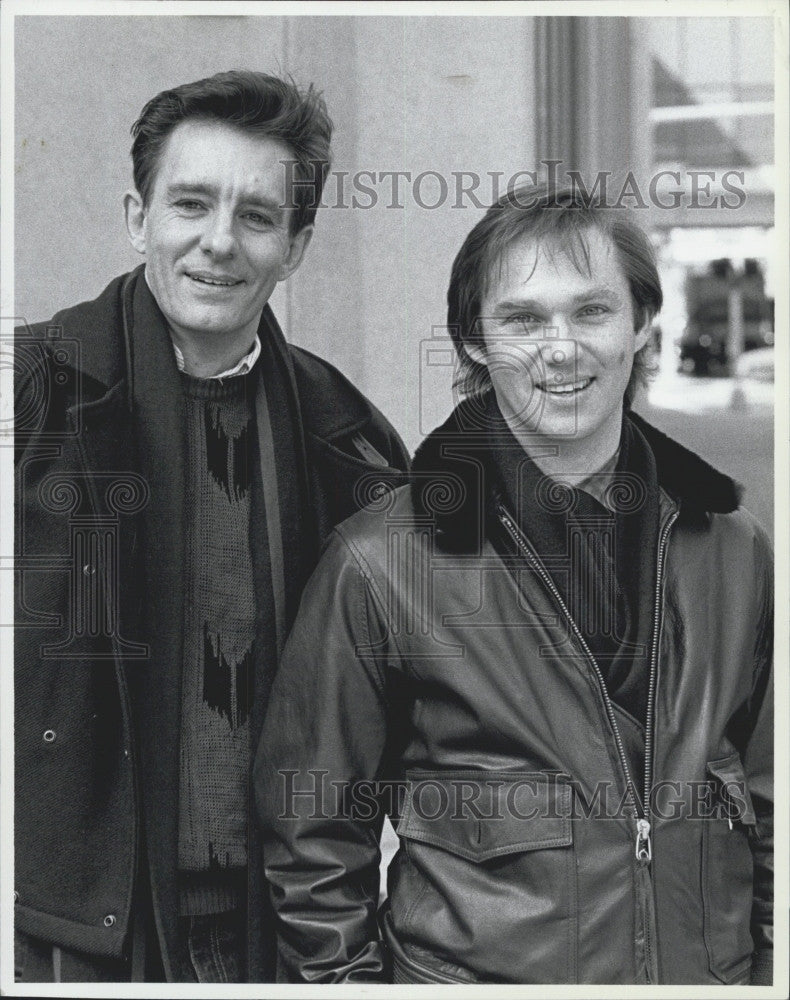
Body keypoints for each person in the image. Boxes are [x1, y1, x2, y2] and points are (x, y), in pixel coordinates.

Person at [256, 184, 773, 985]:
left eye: (592, 312)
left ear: (640, 325)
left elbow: (776, 806)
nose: (559, 349)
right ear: (474, 343)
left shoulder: (734, 551)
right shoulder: (381, 562)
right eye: (523, 319)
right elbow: (312, 839)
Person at [14, 70, 408, 984]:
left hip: (274, 935)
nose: (219, 243)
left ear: (297, 245)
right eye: (190, 203)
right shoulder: (31, 392)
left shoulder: (347, 438)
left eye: (259, 216)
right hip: (57, 936)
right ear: (136, 216)